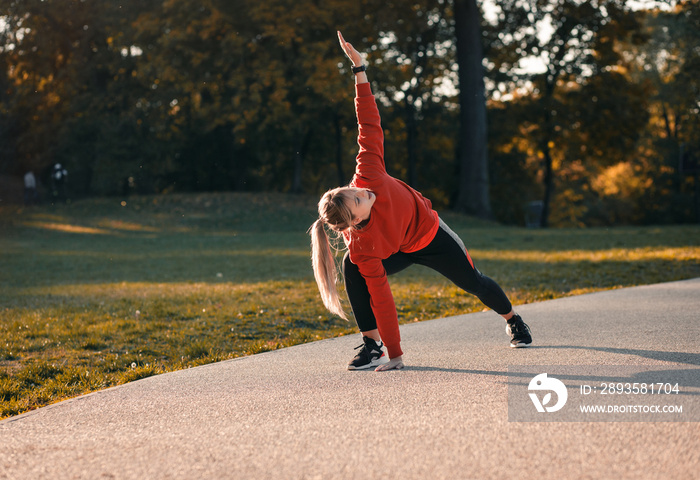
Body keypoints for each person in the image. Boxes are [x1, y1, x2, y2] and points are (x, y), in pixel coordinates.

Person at [309, 32, 532, 372]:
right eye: (358, 201)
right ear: (353, 222)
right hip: (392, 248)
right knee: (352, 267)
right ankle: (373, 345)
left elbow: (368, 123)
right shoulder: (363, 245)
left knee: (473, 281)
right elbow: (382, 299)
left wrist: (359, 68)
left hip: (428, 235)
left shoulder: (367, 173)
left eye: (352, 191)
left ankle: (513, 319)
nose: (363, 193)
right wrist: (396, 354)